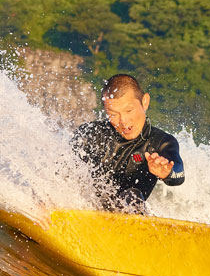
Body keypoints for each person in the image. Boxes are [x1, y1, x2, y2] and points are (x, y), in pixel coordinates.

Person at [71, 74, 185, 212]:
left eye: (129, 110)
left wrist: (167, 172)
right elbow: (61, 169)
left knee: (132, 196)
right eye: (113, 114)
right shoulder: (90, 134)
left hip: (130, 216)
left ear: (145, 102)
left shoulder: (160, 142)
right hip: (87, 211)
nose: (123, 121)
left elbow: (179, 174)